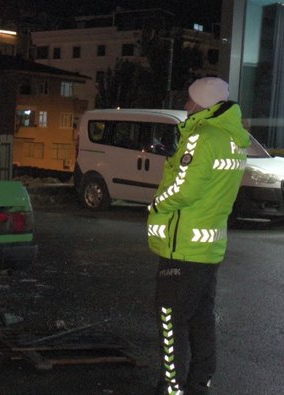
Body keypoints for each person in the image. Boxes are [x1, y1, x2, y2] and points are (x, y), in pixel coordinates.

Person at [147, 77, 250, 394]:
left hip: (184, 247)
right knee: (201, 318)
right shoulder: (233, 138)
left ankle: (172, 388)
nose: (186, 104)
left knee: (170, 318)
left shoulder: (201, 136)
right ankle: (199, 383)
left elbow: (184, 188)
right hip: (208, 247)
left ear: (204, 103)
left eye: (190, 99)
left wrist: (157, 204)